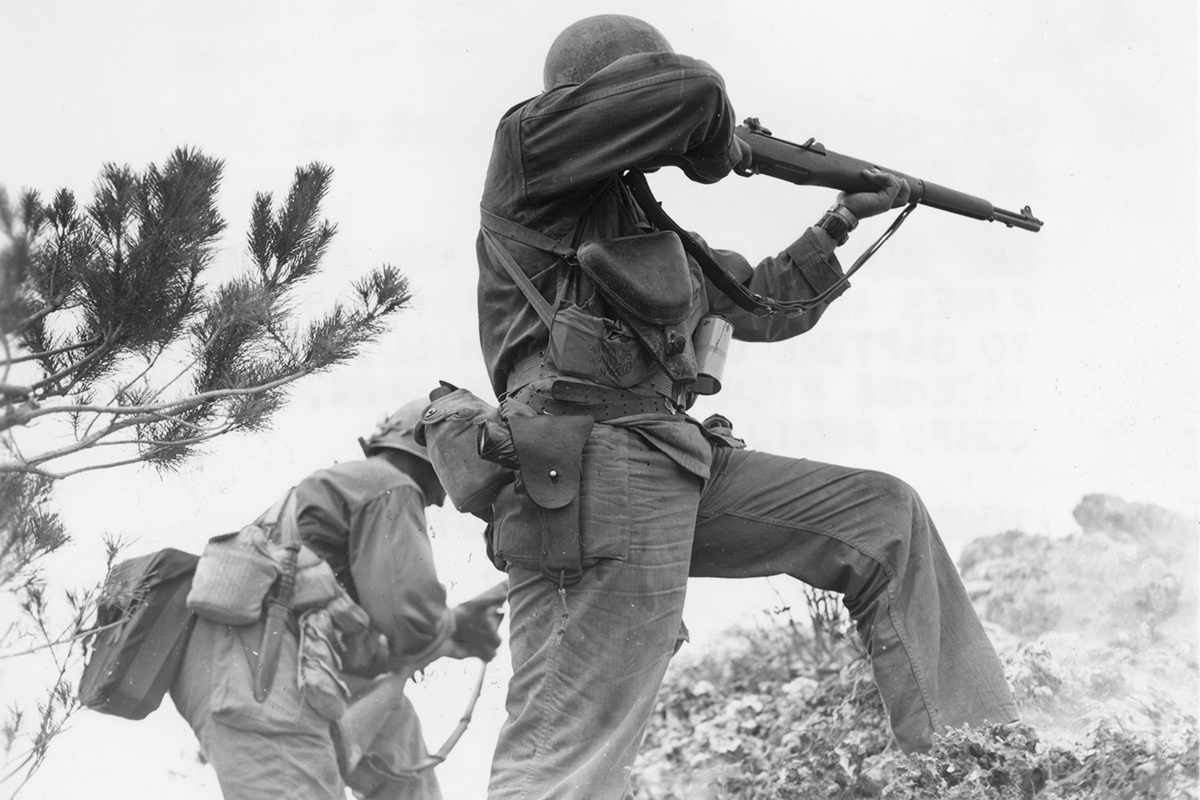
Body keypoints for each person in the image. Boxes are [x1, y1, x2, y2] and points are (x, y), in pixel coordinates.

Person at [474, 14, 1019, 799]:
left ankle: (978, 765)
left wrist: (837, 217)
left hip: (672, 460)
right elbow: (694, 91)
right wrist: (726, 146)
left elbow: (760, 303)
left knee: (883, 518)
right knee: (567, 759)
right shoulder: (528, 156)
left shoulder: (643, 224)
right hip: (586, 470)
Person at [170, 398, 507, 800]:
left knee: (397, 739)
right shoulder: (386, 484)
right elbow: (408, 620)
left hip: (261, 663)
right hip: (259, 674)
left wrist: (449, 634)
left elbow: (374, 629)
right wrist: (454, 627)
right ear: (436, 452)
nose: (439, 501)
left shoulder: (342, 486)